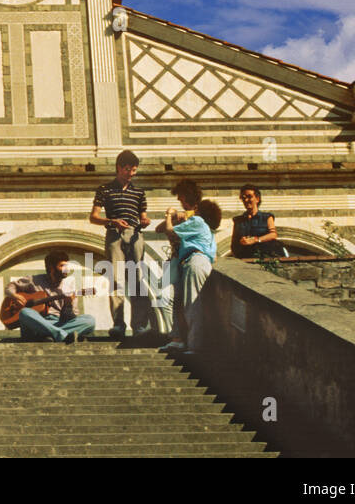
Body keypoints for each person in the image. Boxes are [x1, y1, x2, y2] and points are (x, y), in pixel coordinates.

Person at [89, 150, 151, 338]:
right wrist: (112, 221)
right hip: (114, 234)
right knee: (116, 279)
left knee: (136, 278)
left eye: (134, 170)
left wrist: (145, 222)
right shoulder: (104, 189)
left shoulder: (139, 192)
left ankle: (139, 325)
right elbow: (93, 217)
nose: (131, 174)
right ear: (118, 168)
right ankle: (118, 324)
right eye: (127, 170)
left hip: (134, 234)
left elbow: (143, 216)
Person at [158, 183, 219, 354]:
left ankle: (195, 345)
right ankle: (180, 339)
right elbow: (160, 229)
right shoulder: (199, 224)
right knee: (182, 301)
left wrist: (169, 215)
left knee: (192, 303)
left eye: (181, 197)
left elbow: (169, 230)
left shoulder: (197, 221)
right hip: (189, 262)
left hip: (196, 261)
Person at [2, 250, 96, 344]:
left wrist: (68, 304)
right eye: (62, 266)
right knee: (24, 312)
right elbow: (10, 287)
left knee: (90, 320)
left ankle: (51, 334)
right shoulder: (33, 280)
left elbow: (70, 318)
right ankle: (61, 334)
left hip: (58, 322)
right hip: (36, 325)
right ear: (51, 268)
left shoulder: (69, 288)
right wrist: (14, 296)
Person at [231, 185, 287, 259]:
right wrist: (241, 242)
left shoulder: (267, 217)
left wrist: (256, 240)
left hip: (266, 257)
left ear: (257, 199)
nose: (246, 200)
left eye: (249, 196)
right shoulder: (238, 221)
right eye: (243, 198)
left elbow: (273, 234)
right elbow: (234, 243)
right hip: (246, 259)